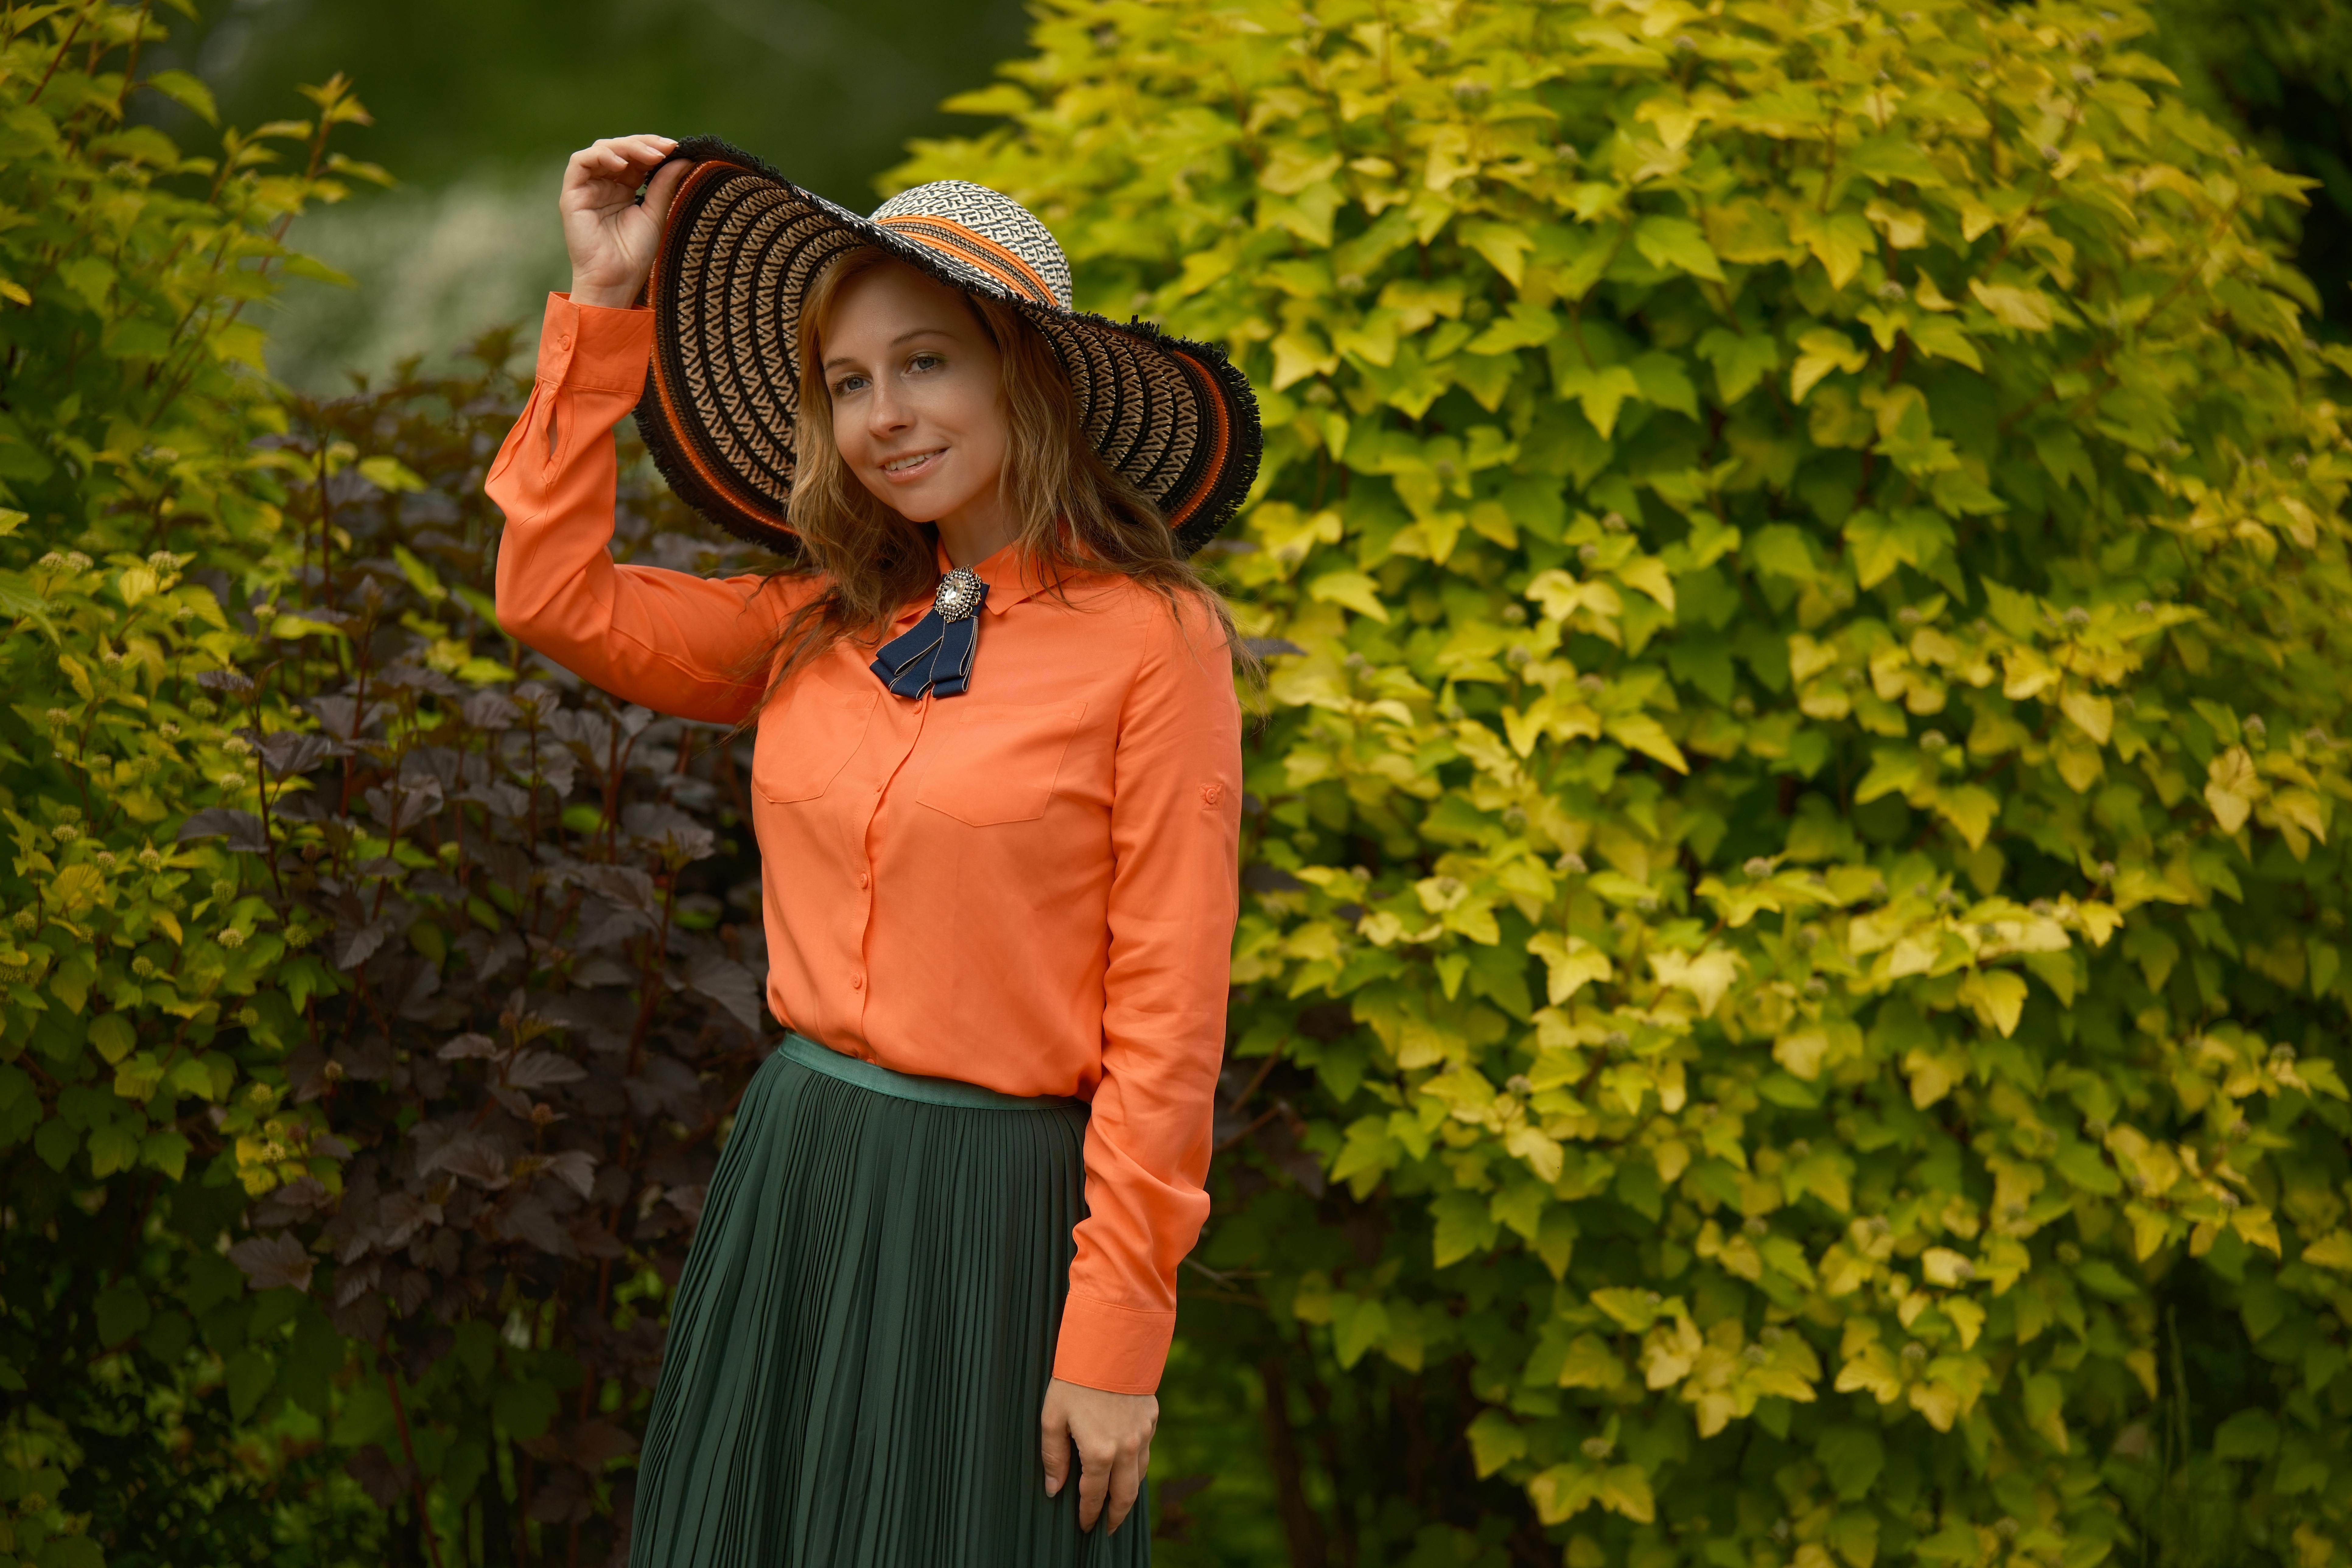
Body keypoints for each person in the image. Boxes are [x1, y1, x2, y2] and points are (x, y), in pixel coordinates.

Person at [485, 132, 1262, 1566]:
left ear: (1027, 374)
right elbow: (552, 594)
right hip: (799, 1172)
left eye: (926, 364)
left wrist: (1116, 1337)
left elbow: (1168, 1017)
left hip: (998, 1218)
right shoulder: (817, 619)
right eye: (848, 383)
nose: (884, 415)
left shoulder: (1157, 643)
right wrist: (602, 303)